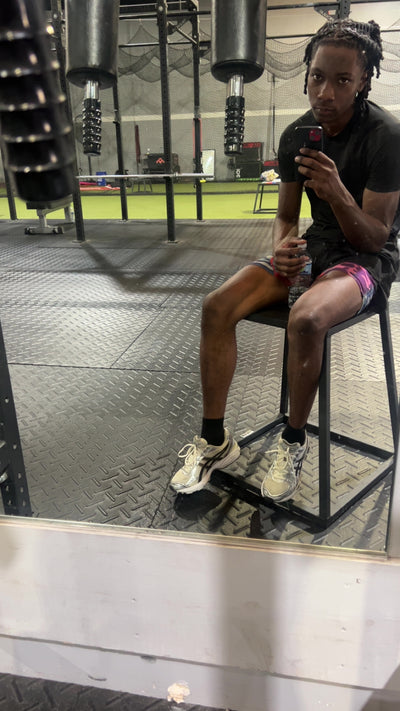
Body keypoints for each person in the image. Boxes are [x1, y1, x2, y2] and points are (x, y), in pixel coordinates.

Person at [170, 18, 400, 501]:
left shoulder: (386, 136)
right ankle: (214, 441)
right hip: (317, 247)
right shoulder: (297, 134)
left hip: (366, 260)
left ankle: (293, 442)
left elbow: (375, 236)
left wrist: (337, 191)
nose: (326, 92)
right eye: (317, 77)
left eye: (342, 80)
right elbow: (286, 217)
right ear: (306, 75)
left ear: (363, 81)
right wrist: (283, 246)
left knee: (307, 318)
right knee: (217, 305)